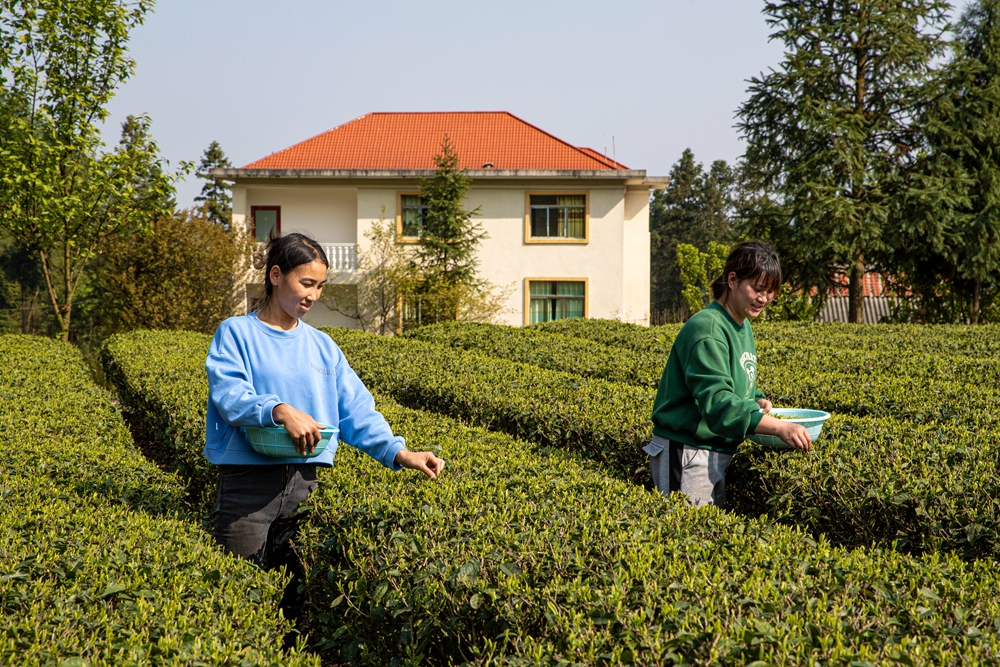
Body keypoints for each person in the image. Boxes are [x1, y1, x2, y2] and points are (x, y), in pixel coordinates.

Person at [204, 232, 445, 602]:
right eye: (306, 283)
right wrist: (279, 410)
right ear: (275, 275)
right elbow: (229, 395)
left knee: (295, 601)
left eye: (320, 286)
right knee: (238, 596)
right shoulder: (236, 333)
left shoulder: (323, 345)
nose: (313, 295)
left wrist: (400, 453)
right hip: (247, 486)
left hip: (306, 484)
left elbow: (355, 410)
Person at [645, 241, 810, 507]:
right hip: (687, 452)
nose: (764, 299)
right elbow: (719, 403)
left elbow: (731, 380)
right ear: (732, 279)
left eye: (770, 292)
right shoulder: (708, 328)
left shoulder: (741, 323)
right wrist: (779, 427)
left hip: (713, 451)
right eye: (757, 289)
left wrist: (755, 399)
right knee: (690, 540)